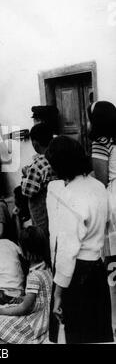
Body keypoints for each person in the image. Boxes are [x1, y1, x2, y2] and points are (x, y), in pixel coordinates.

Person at [46, 136, 114, 344]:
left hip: (77, 275)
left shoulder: (69, 196)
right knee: (98, 333)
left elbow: (67, 252)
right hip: (97, 270)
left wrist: (58, 293)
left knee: (78, 334)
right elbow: (107, 224)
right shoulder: (98, 187)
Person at [0, 226, 52, 344]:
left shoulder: (34, 276)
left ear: (27, 251)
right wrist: (22, 298)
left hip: (36, 322)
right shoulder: (46, 266)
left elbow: (25, 308)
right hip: (44, 317)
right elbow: (40, 296)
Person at [88, 100, 116, 331]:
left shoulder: (101, 143)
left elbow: (101, 181)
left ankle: (114, 321)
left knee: (112, 262)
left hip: (113, 201)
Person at [21, 123, 55, 236]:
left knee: (43, 237)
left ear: (35, 143)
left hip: (41, 212)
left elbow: (27, 191)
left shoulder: (37, 165)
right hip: (57, 209)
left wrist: (26, 175)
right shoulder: (56, 155)